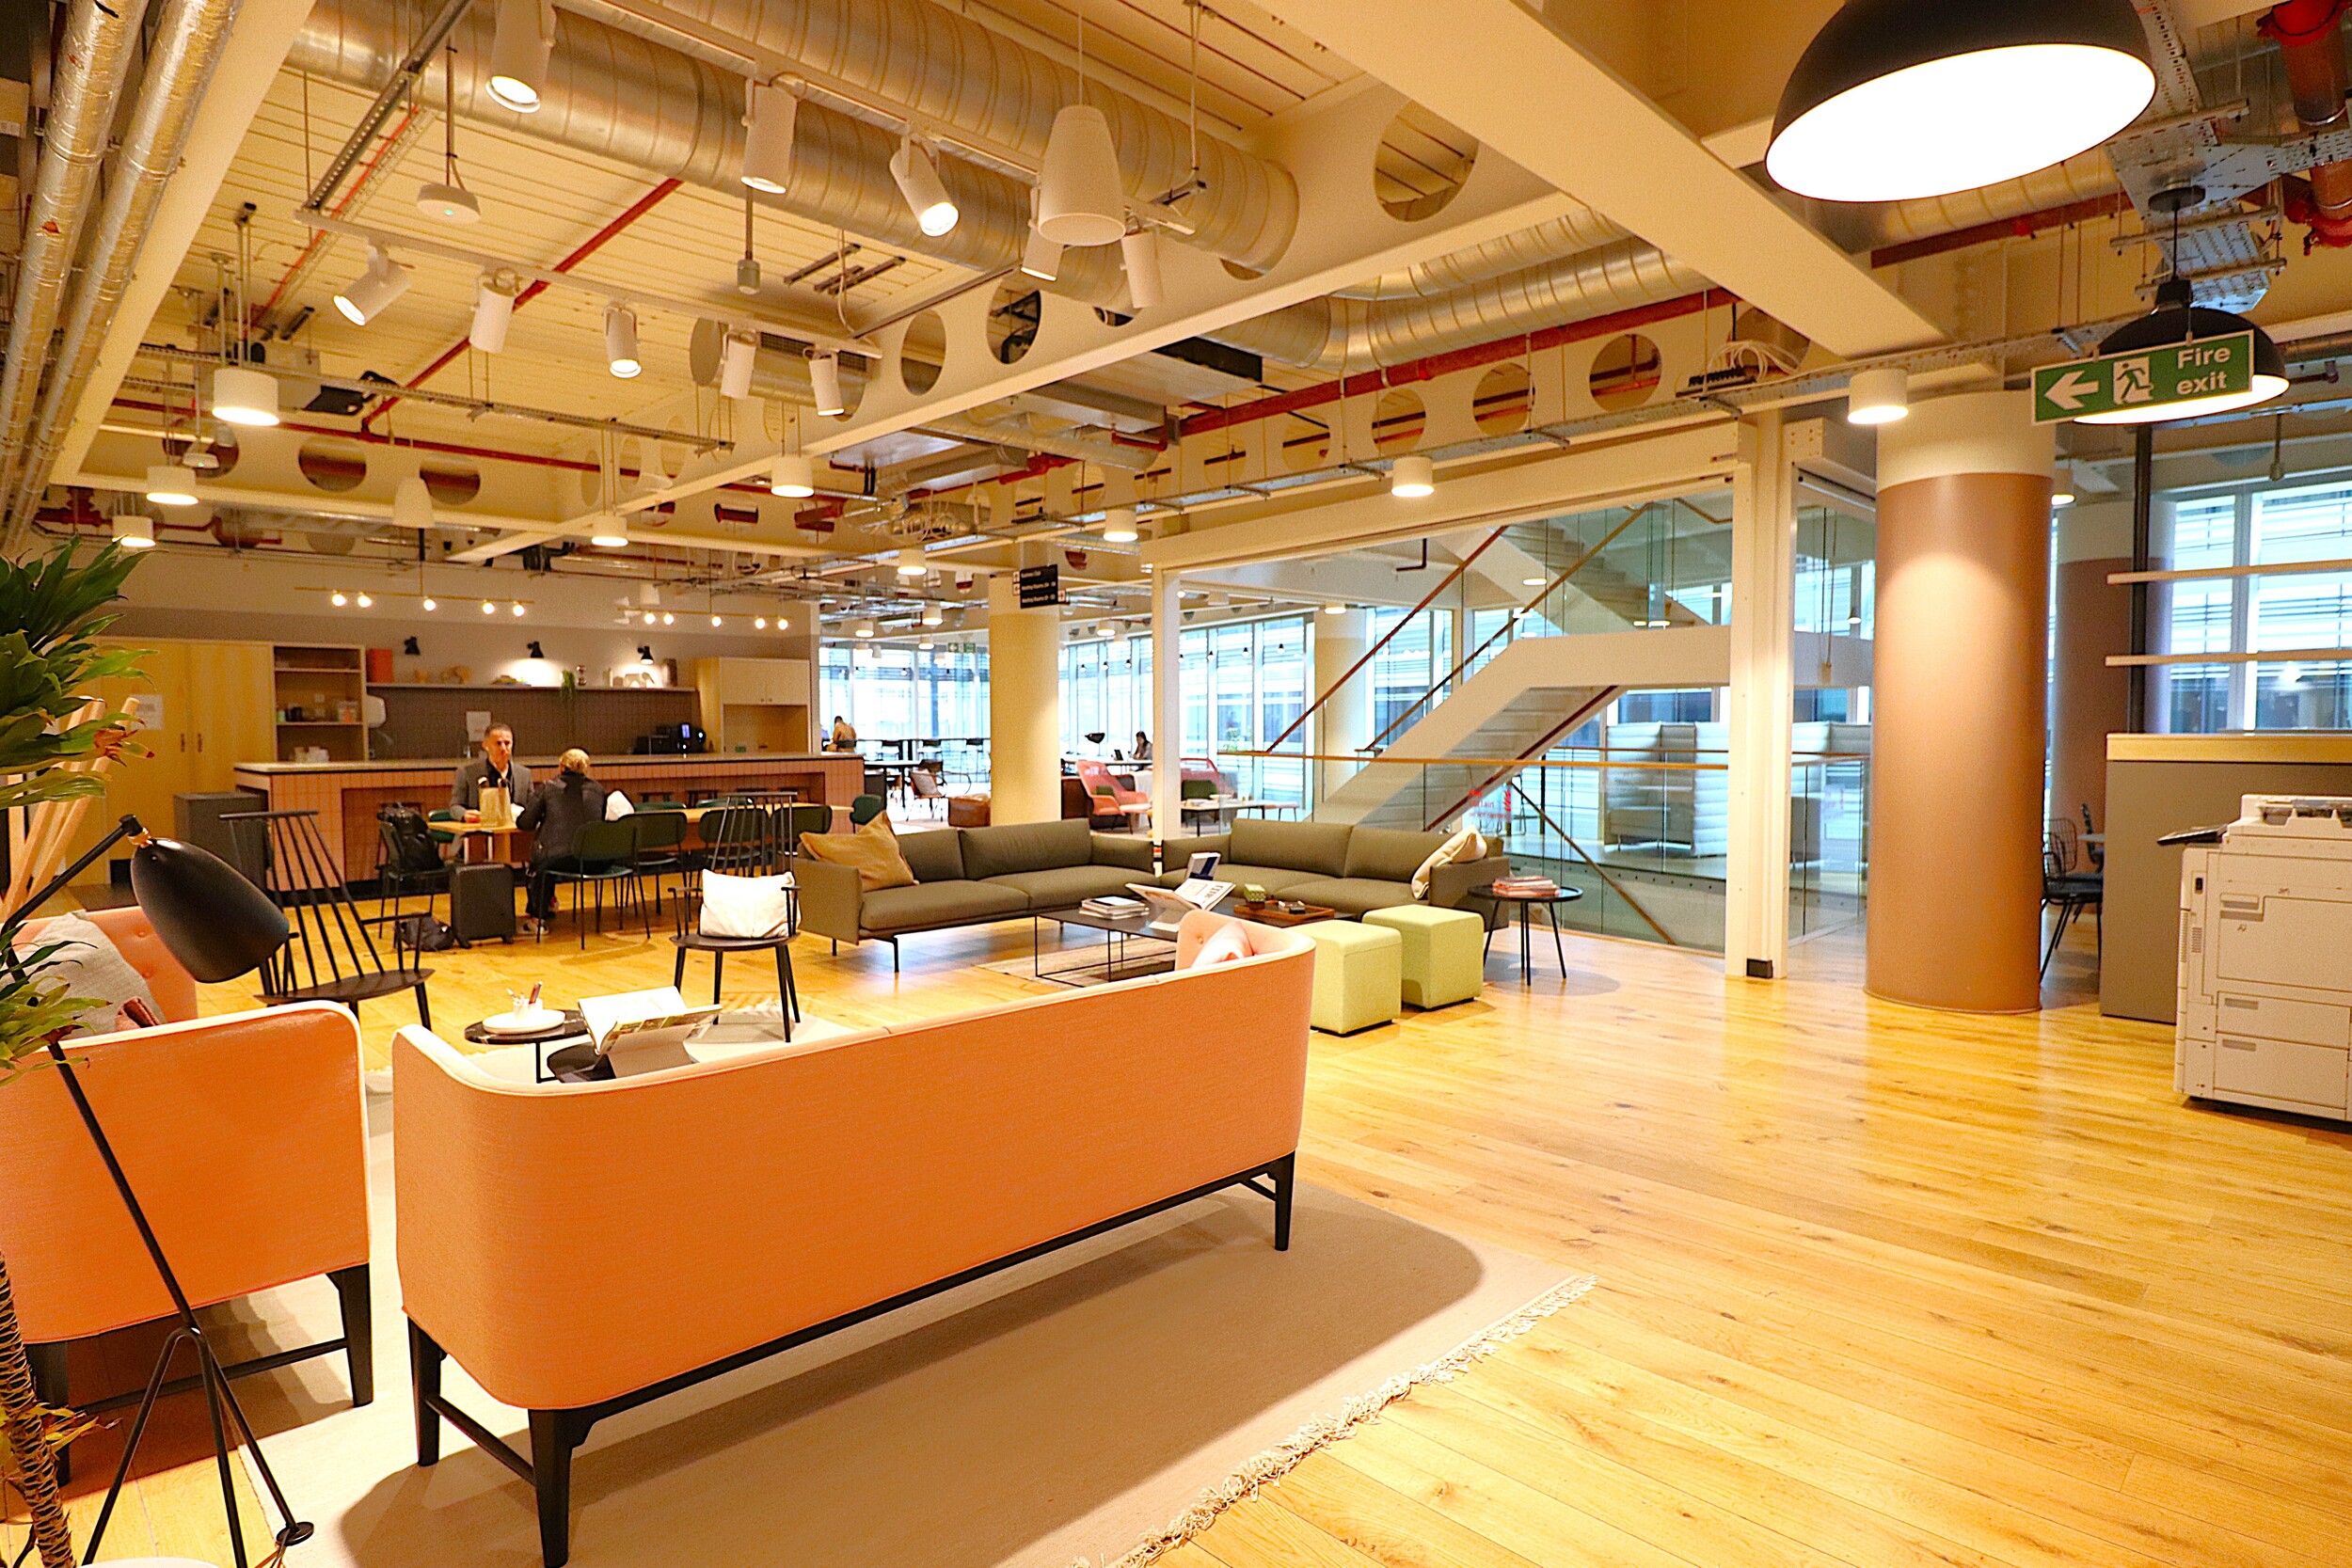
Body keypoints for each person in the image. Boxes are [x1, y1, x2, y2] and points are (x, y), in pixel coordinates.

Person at [516, 749, 608, 925]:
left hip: (560, 859)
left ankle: (537, 919)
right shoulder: (598, 789)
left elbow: (526, 823)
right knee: (547, 859)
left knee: (540, 863)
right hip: (594, 859)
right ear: (586, 768)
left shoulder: (548, 787)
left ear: (561, 767)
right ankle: (549, 904)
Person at [451, 722, 533, 816]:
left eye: (507, 743)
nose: (503, 748)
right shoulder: (467, 773)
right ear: (485, 745)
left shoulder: (524, 775)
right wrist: (464, 814)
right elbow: (455, 807)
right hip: (479, 824)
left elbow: (532, 808)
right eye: (498, 743)